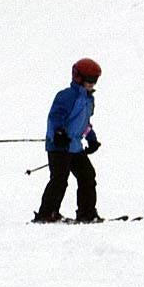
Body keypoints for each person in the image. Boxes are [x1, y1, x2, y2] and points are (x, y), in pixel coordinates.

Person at [35, 58, 104, 223]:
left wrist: (91, 138)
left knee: (87, 175)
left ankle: (87, 213)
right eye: (89, 80)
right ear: (78, 77)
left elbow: (84, 123)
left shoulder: (89, 100)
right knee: (60, 179)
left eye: (94, 81)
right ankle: (47, 213)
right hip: (59, 146)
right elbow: (54, 117)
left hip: (74, 146)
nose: (91, 84)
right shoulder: (66, 96)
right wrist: (58, 133)